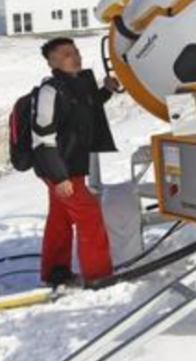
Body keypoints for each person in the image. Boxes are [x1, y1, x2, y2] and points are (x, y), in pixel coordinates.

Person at [32, 36, 119, 286]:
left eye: (76, 51)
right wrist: (59, 177)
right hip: (58, 169)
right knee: (89, 215)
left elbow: (86, 107)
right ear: (53, 62)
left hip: (72, 168)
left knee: (60, 217)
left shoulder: (77, 84)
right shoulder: (50, 91)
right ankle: (99, 276)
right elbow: (42, 137)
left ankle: (55, 270)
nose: (76, 56)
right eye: (68, 54)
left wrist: (106, 91)